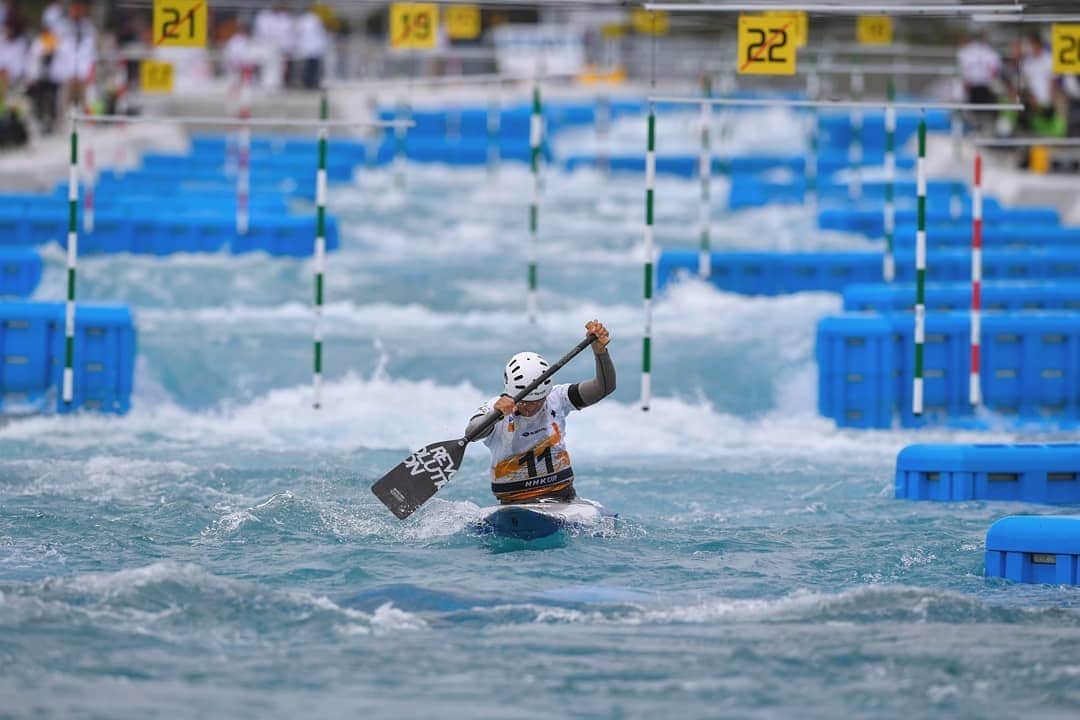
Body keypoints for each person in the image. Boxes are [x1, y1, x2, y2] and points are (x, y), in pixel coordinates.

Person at [464, 320, 615, 505]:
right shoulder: (496, 408)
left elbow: (603, 388)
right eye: (526, 402)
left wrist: (600, 352)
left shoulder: (557, 397)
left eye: (538, 401)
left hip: (562, 497)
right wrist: (494, 416)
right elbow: (470, 434)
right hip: (515, 504)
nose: (532, 408)